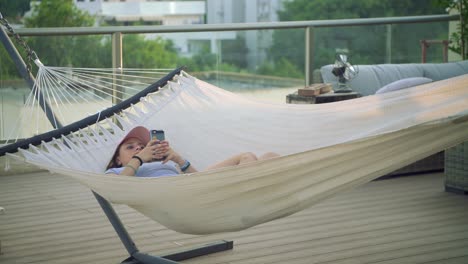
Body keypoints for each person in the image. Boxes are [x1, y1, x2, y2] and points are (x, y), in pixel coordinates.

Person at [106, 126, 279, 177]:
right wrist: (138, 159)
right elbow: (114, 190)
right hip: (187, 196)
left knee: (270, 157)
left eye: (141, 146)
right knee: (248, 157)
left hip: (193, 185)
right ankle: (253, 195)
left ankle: (257, 191)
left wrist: (178, 159)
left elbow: (196, 177)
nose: (138, 148)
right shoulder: (116, 172)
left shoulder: (161, 165)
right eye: (130, 147)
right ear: (118, 159)